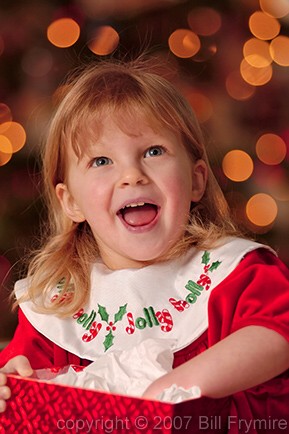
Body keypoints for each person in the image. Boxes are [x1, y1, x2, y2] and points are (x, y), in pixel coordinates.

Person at [0, 57, 289, 427]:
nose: (132, 175)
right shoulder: (58, 309)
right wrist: (13, 382)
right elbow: (21, 381)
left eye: (153, 152)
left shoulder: (235, 271)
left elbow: (276, 335)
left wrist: (166, 393)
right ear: (70, 201)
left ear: (197, 180)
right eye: (102, 161)